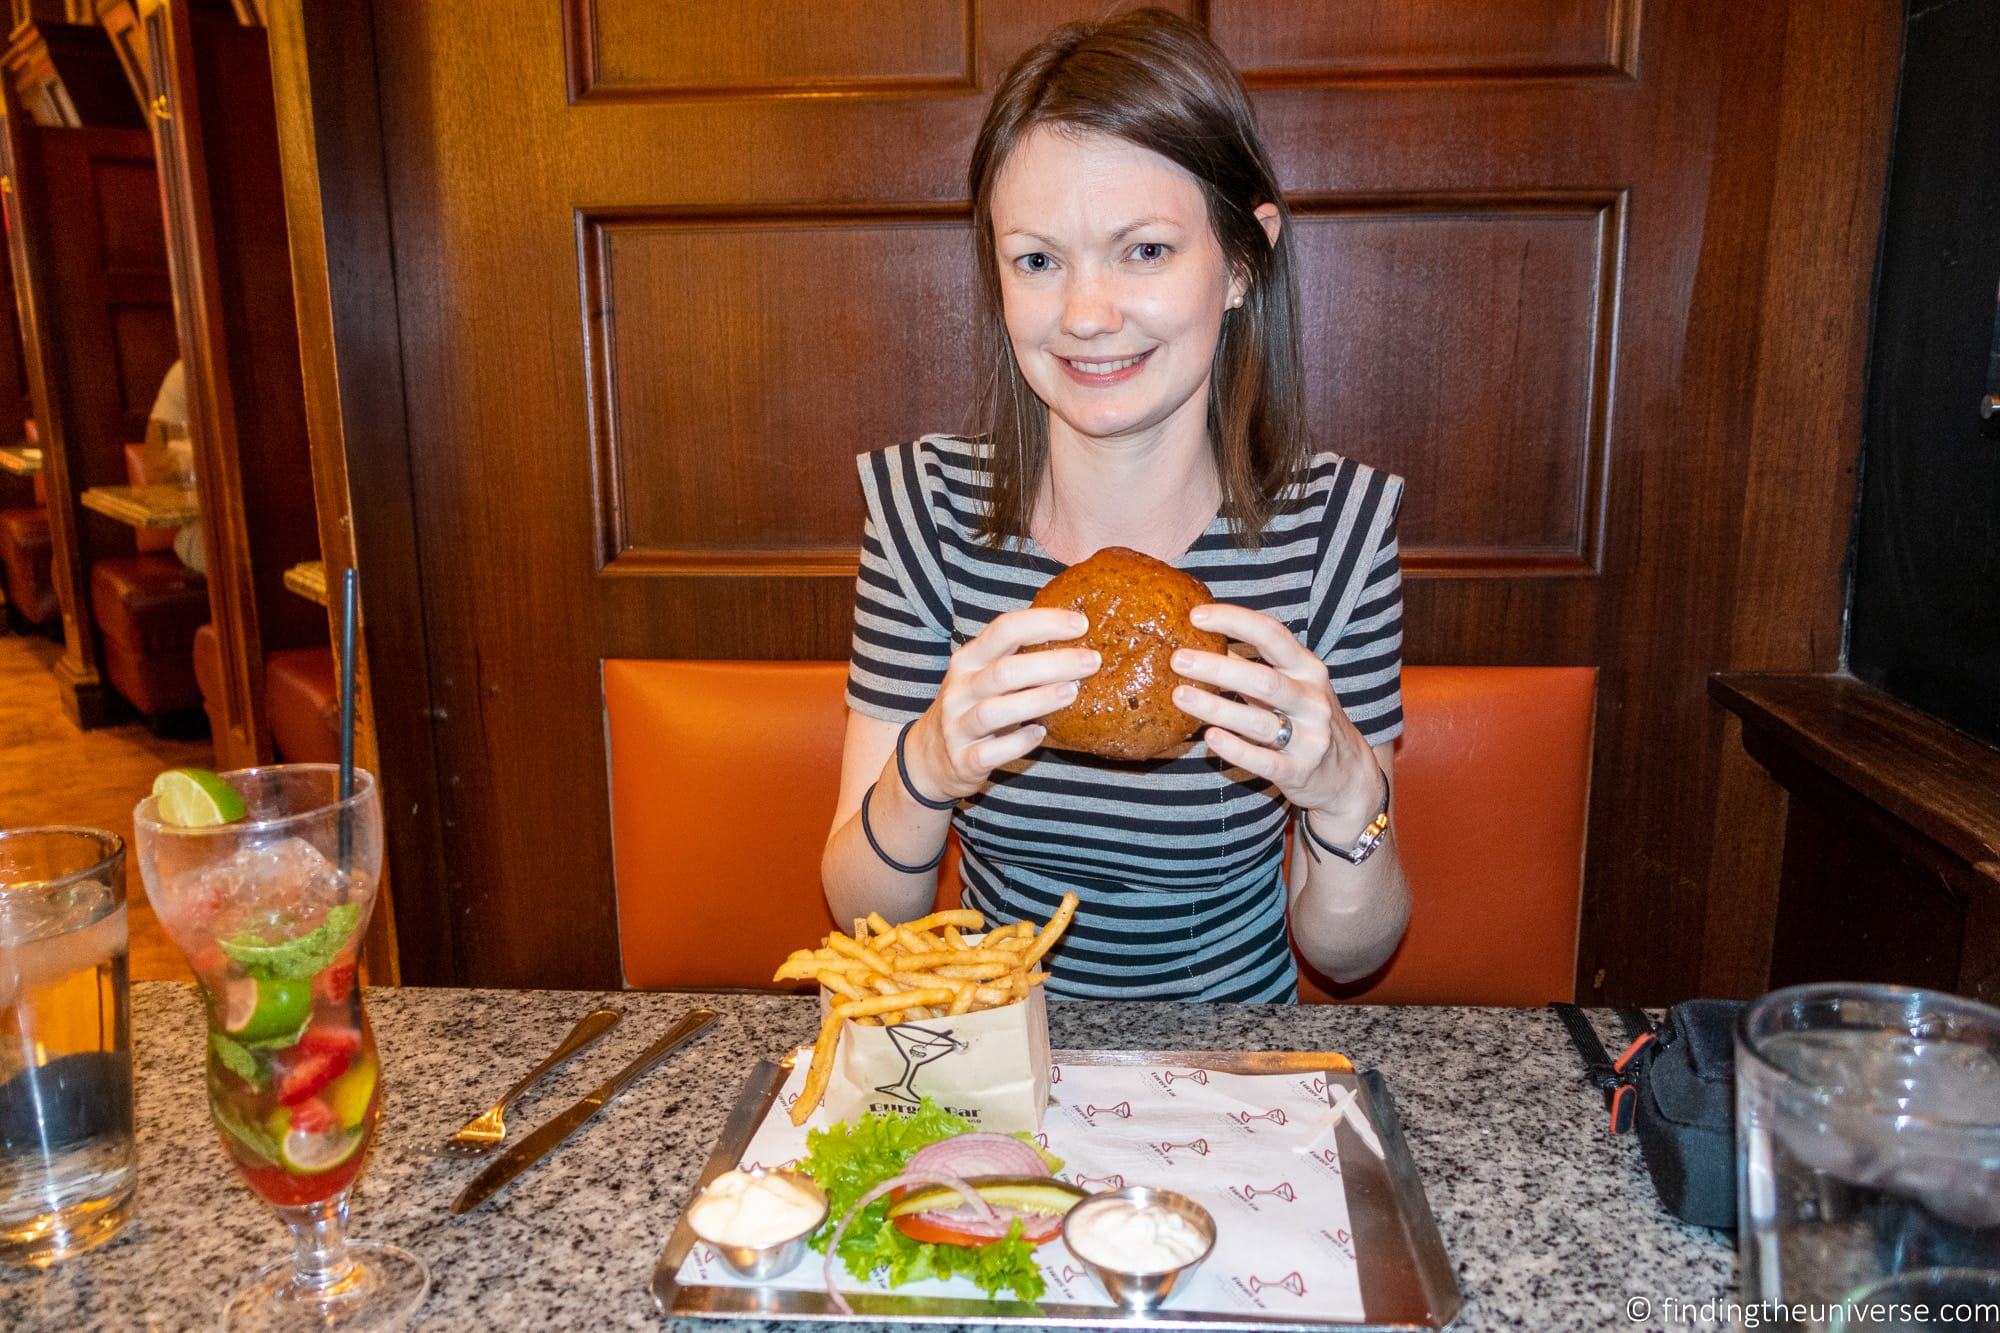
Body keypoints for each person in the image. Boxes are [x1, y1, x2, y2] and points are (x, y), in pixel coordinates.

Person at [821, 9, 1409, 1002]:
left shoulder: (1336, 534)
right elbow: (863, 912)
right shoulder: (922, 513)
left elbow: (1347, 954)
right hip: (999, 1054)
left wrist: (1347, 790)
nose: (1084, 315)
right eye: (1037, 260)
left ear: (1240, 260)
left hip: (1236, 1076)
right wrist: (925, 765)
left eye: (1141, 251)